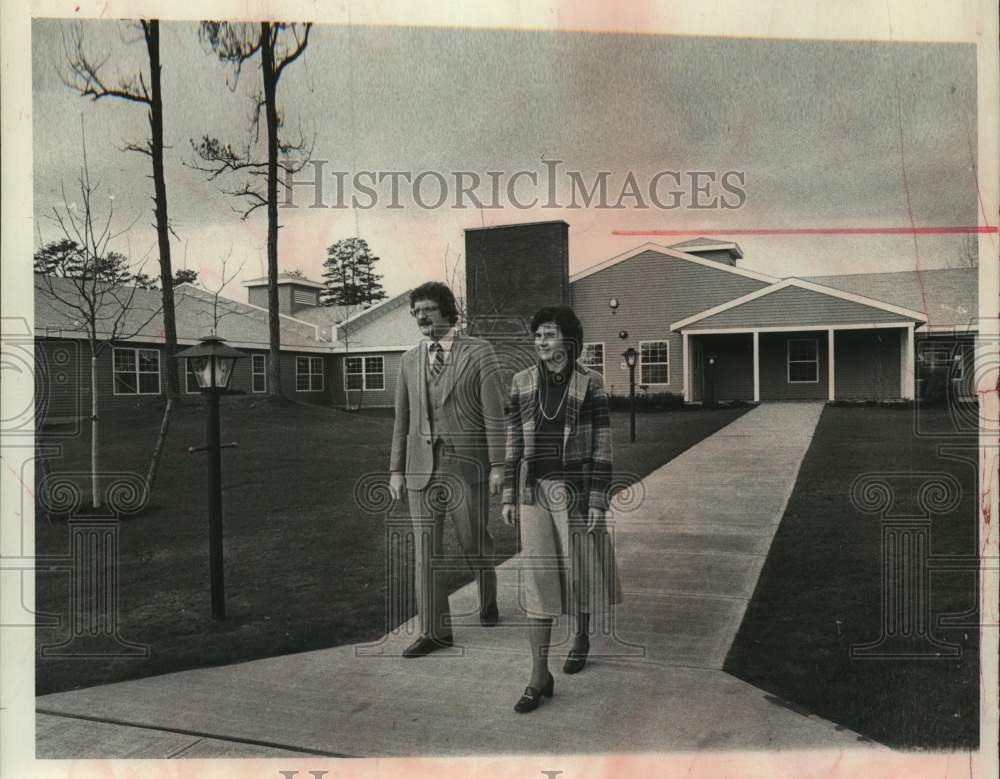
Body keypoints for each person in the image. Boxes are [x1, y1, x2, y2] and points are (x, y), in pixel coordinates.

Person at [501, 305, 622, 713]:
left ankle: (581, 637)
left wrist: (598, 501)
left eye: (549, 334)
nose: (541, 341)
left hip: (576, 491)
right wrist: (507, 496)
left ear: (569, 341)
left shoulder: (592, 383)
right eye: (537, 335)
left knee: (580, 571)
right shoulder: (520, 383)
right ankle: (539, 675)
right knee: (539, 580)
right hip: (534, 492)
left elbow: (603, 445)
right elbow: (513, 445)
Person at [388, 282, 506, 658]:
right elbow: (401, 421)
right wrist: (395, 470)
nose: (421, 317)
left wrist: (500, 463)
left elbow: (494, 413)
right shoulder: (409, 360)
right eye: (416, 312)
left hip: (466, 466)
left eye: (427, 309)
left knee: (474, 541)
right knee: (427, 552)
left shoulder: (479, 351)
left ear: (446, 311)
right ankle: (435, 632)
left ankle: (488, 599)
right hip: (421, 468)